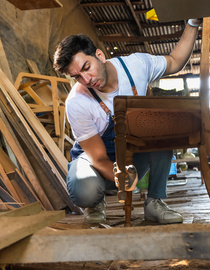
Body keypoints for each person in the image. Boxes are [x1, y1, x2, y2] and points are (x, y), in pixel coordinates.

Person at [53, 18, 202, 224]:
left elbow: (175, 61)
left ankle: (155, 202)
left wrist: (192, 23)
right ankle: (95, 203)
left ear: (99, 55)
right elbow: (98, 158)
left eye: (87, 67)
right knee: (83, 190)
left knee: (161, 131)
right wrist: (120, 176)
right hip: (99, 161)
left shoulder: (136, 66)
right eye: (77, 76)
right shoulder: (77, 102)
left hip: (133, 153)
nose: (87, 80)